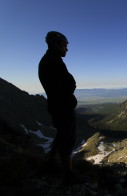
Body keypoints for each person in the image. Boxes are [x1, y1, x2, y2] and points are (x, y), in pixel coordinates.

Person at [38, 31, 78, 182]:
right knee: (67, 139)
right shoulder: (53, 61)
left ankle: (51, 164)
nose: (67, 49)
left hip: (56, 106)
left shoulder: (49, 60)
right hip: (63, 107)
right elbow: (69, 83)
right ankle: (68, 174)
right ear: (58, 43)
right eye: (65, 45)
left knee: (61, 135)